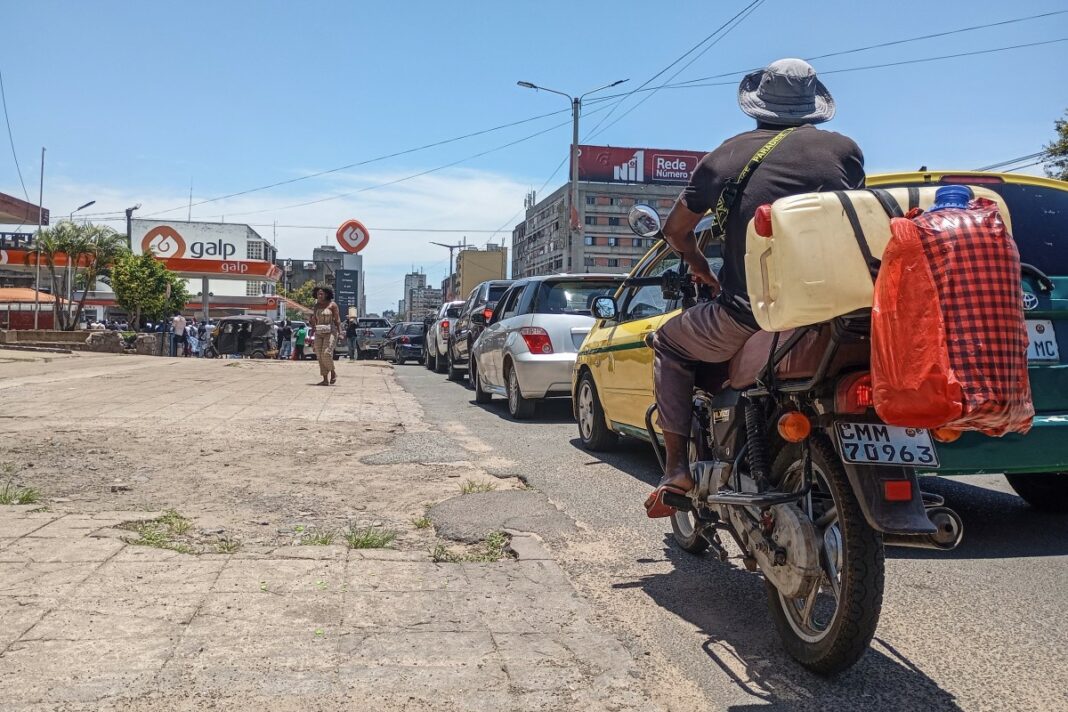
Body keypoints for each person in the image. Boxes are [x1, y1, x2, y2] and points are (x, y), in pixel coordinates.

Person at [645, 58, 865, 518]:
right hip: (833, 307)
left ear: (756, 106)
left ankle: (676, 471)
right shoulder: (844, 150)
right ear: (813, 106)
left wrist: (698, 264)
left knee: (668, 342)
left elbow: (676, 231)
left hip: (754, 312)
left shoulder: (726, 156)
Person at [311, 286, 341, 385]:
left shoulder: (332, 305)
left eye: (321, 294)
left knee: (326, 353)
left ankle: (333, 373)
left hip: (330, 331)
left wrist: (340, 332)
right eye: (318, 294)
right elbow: (314, 321)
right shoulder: (316, 306)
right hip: (319, 332)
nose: (319, 296)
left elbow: (337, 320)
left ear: (326, 294)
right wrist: (312, 334)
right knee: (319, 355)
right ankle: (325, 379)